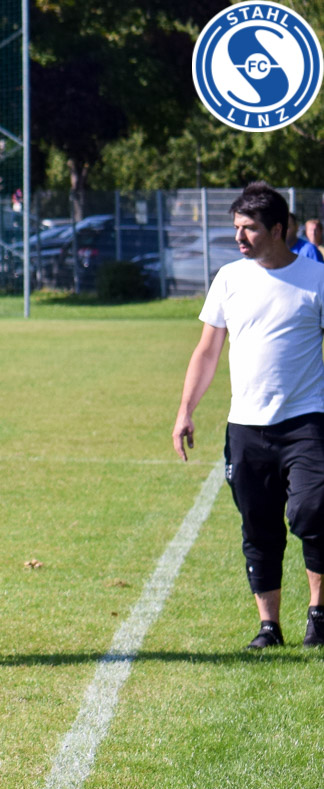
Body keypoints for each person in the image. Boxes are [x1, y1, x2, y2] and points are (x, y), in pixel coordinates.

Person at [175, 181, 324, 649]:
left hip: (307, 422)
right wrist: (185, 410)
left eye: (250, 228)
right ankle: (268, 627)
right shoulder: (229, 279)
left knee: (313, 512)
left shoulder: (317, 278)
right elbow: (207, 351)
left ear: (278, 229)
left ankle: (319, 615)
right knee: (258, 526)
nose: (239, 237)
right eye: (236, 227)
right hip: (246, 426)